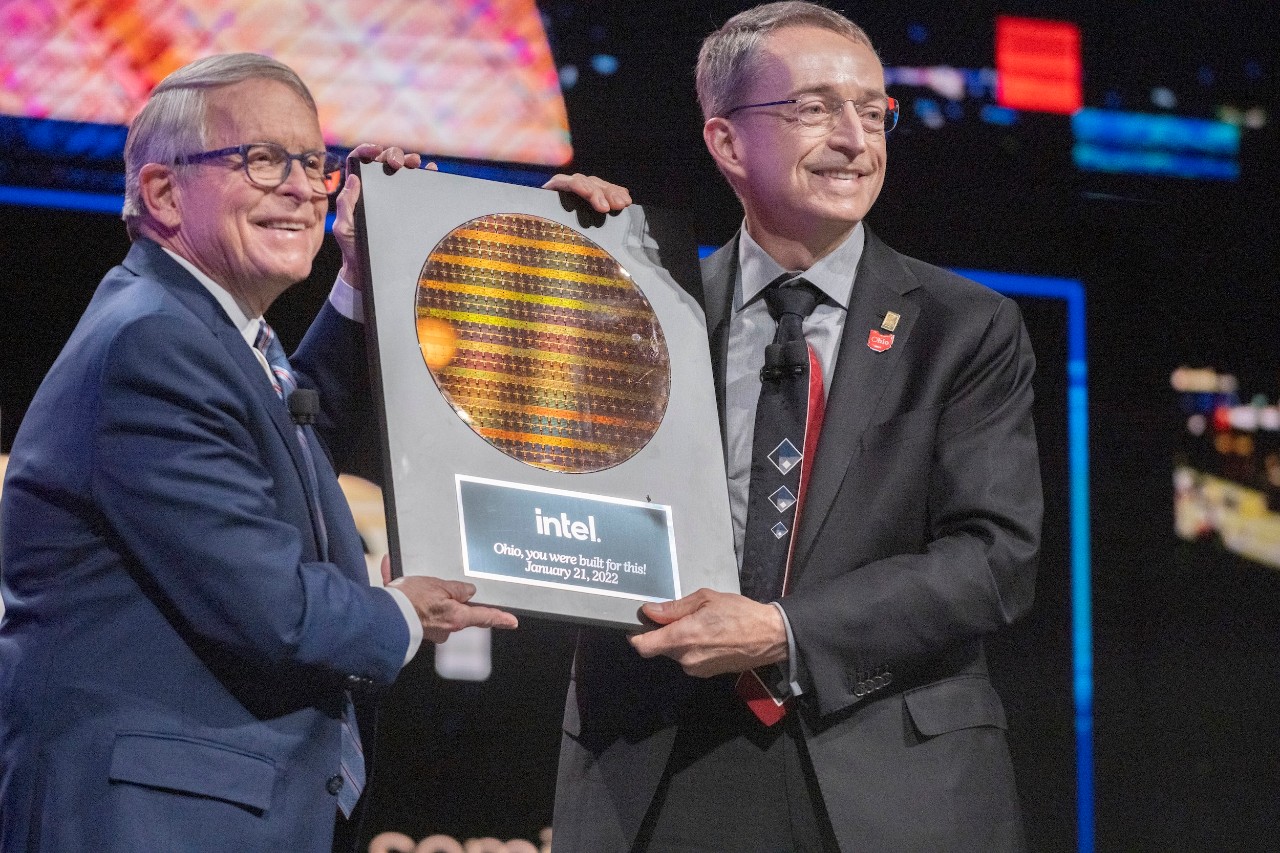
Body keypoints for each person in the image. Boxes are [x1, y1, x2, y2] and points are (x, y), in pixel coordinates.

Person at [0, 53, 551, 853]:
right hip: (153, 820)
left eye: (311, 162)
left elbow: (286, 445)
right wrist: (403, 611)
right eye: (261, 159)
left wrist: (360, 276)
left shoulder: (194, 330)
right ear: (162, 192)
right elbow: (271, 604)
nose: (300, 188)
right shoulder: (153, 344)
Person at [552, 3, 1042, 851]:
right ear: (727, 141)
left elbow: (994, 558)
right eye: (815, 108)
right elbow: (528, 459)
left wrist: (783, 630)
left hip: (890, 774)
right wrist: (545, 259)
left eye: (874, 112)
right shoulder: (645, 307)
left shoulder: (965, 327)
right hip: (661, 764)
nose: (855, 139)